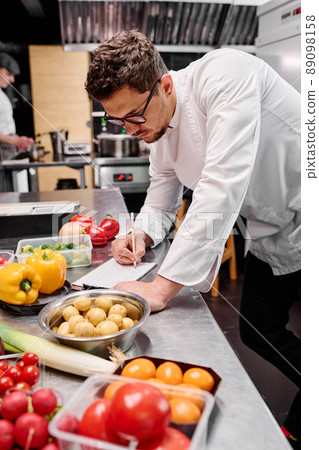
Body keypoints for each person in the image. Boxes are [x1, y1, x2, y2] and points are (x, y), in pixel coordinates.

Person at [85, 31, 301, 448]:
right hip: (271, 232)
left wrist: (163, 287)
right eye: (116, 120)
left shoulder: (226, 75)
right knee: (258, 329)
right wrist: (141, 234)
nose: (129, 129)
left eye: (133, 116)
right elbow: (163, 189)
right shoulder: (158, 125)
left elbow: (219, 186)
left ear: (165, 85)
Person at [0, 53, 34, 161]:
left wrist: (19, 140)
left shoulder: (2, 95)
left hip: (8, 148)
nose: (12, 80)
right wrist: (15, 141)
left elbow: (4, 127)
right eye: (9, 74)